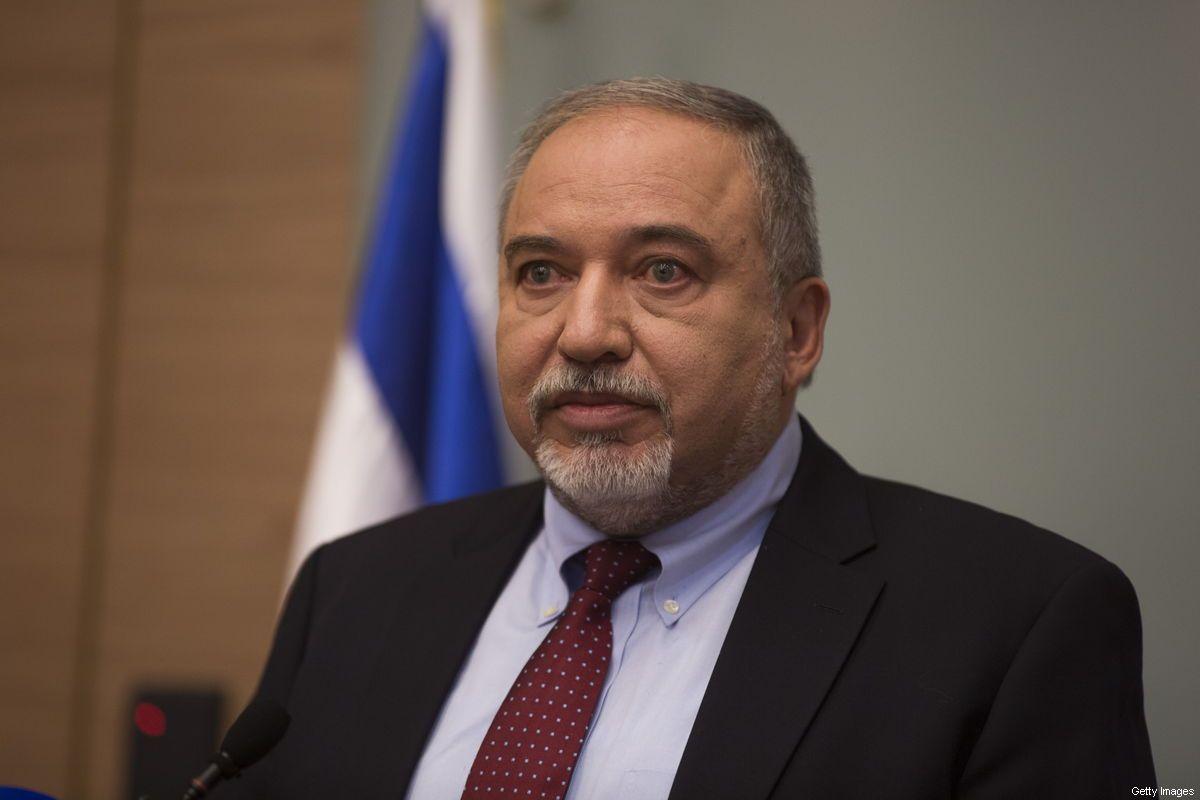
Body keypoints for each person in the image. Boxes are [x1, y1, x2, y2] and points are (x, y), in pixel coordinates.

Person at [218, 78, 1155, 799]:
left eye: (663, 271)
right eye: (541, 272)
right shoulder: (354, 588)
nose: (585, 333)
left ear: (796, 331)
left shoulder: (1017, 624)